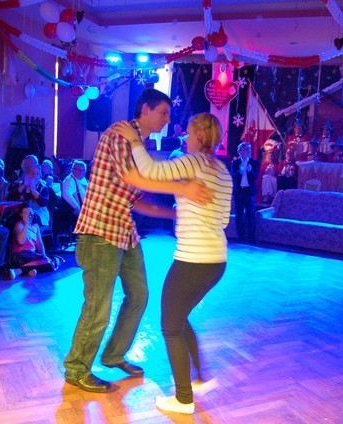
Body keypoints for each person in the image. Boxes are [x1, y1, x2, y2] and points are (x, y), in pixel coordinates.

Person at [63, 88, 212, 394]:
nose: (168, 120)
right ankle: (76, 368)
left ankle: (114, 354)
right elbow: (134, 178)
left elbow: (136, 199)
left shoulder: (139, 145)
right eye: (163, 113)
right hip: (100, 233)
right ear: (145, 109)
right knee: (98, 306)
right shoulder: (120, 135)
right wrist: (182, 188)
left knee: (139, 296)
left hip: (124, 232)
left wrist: (173, 214)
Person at [116, 112, 231, 414]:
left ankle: (183, 399)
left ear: (199, 136)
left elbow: (150, 170)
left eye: (189, 133)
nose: (185, 137)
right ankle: (200, 379)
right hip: (217, 260)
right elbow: (222, 220)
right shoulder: (222, 171)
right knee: (179, 318)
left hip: (193, 259)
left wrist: (134, 142)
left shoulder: (193, 162)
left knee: (170, 326)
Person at [7, 203, 62, 279]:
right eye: (26, 213)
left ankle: (30, 270)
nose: (29, 215)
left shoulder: (35, 226)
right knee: (48, 262)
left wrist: (43, 255)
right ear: (21, 215)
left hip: (32, 254)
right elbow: (21, 242)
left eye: (30, 212)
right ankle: (18, 271)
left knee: (57, 260)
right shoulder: (19, 225)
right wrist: (26, 224)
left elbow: (39, 243)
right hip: (20, 255)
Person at [231, 142, 259, 243]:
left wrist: (250, 171)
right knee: (239, 215)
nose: (243, 152)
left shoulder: (254, 162)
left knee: (250, 214)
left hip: (249, 192)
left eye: (245, 150)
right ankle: (240, 237)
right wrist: (240, 172)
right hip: (239, 192)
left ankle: (250, 237)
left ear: (249, 151)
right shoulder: (235, 163)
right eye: (241, 150)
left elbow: (255, 177)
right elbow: (233, 176)